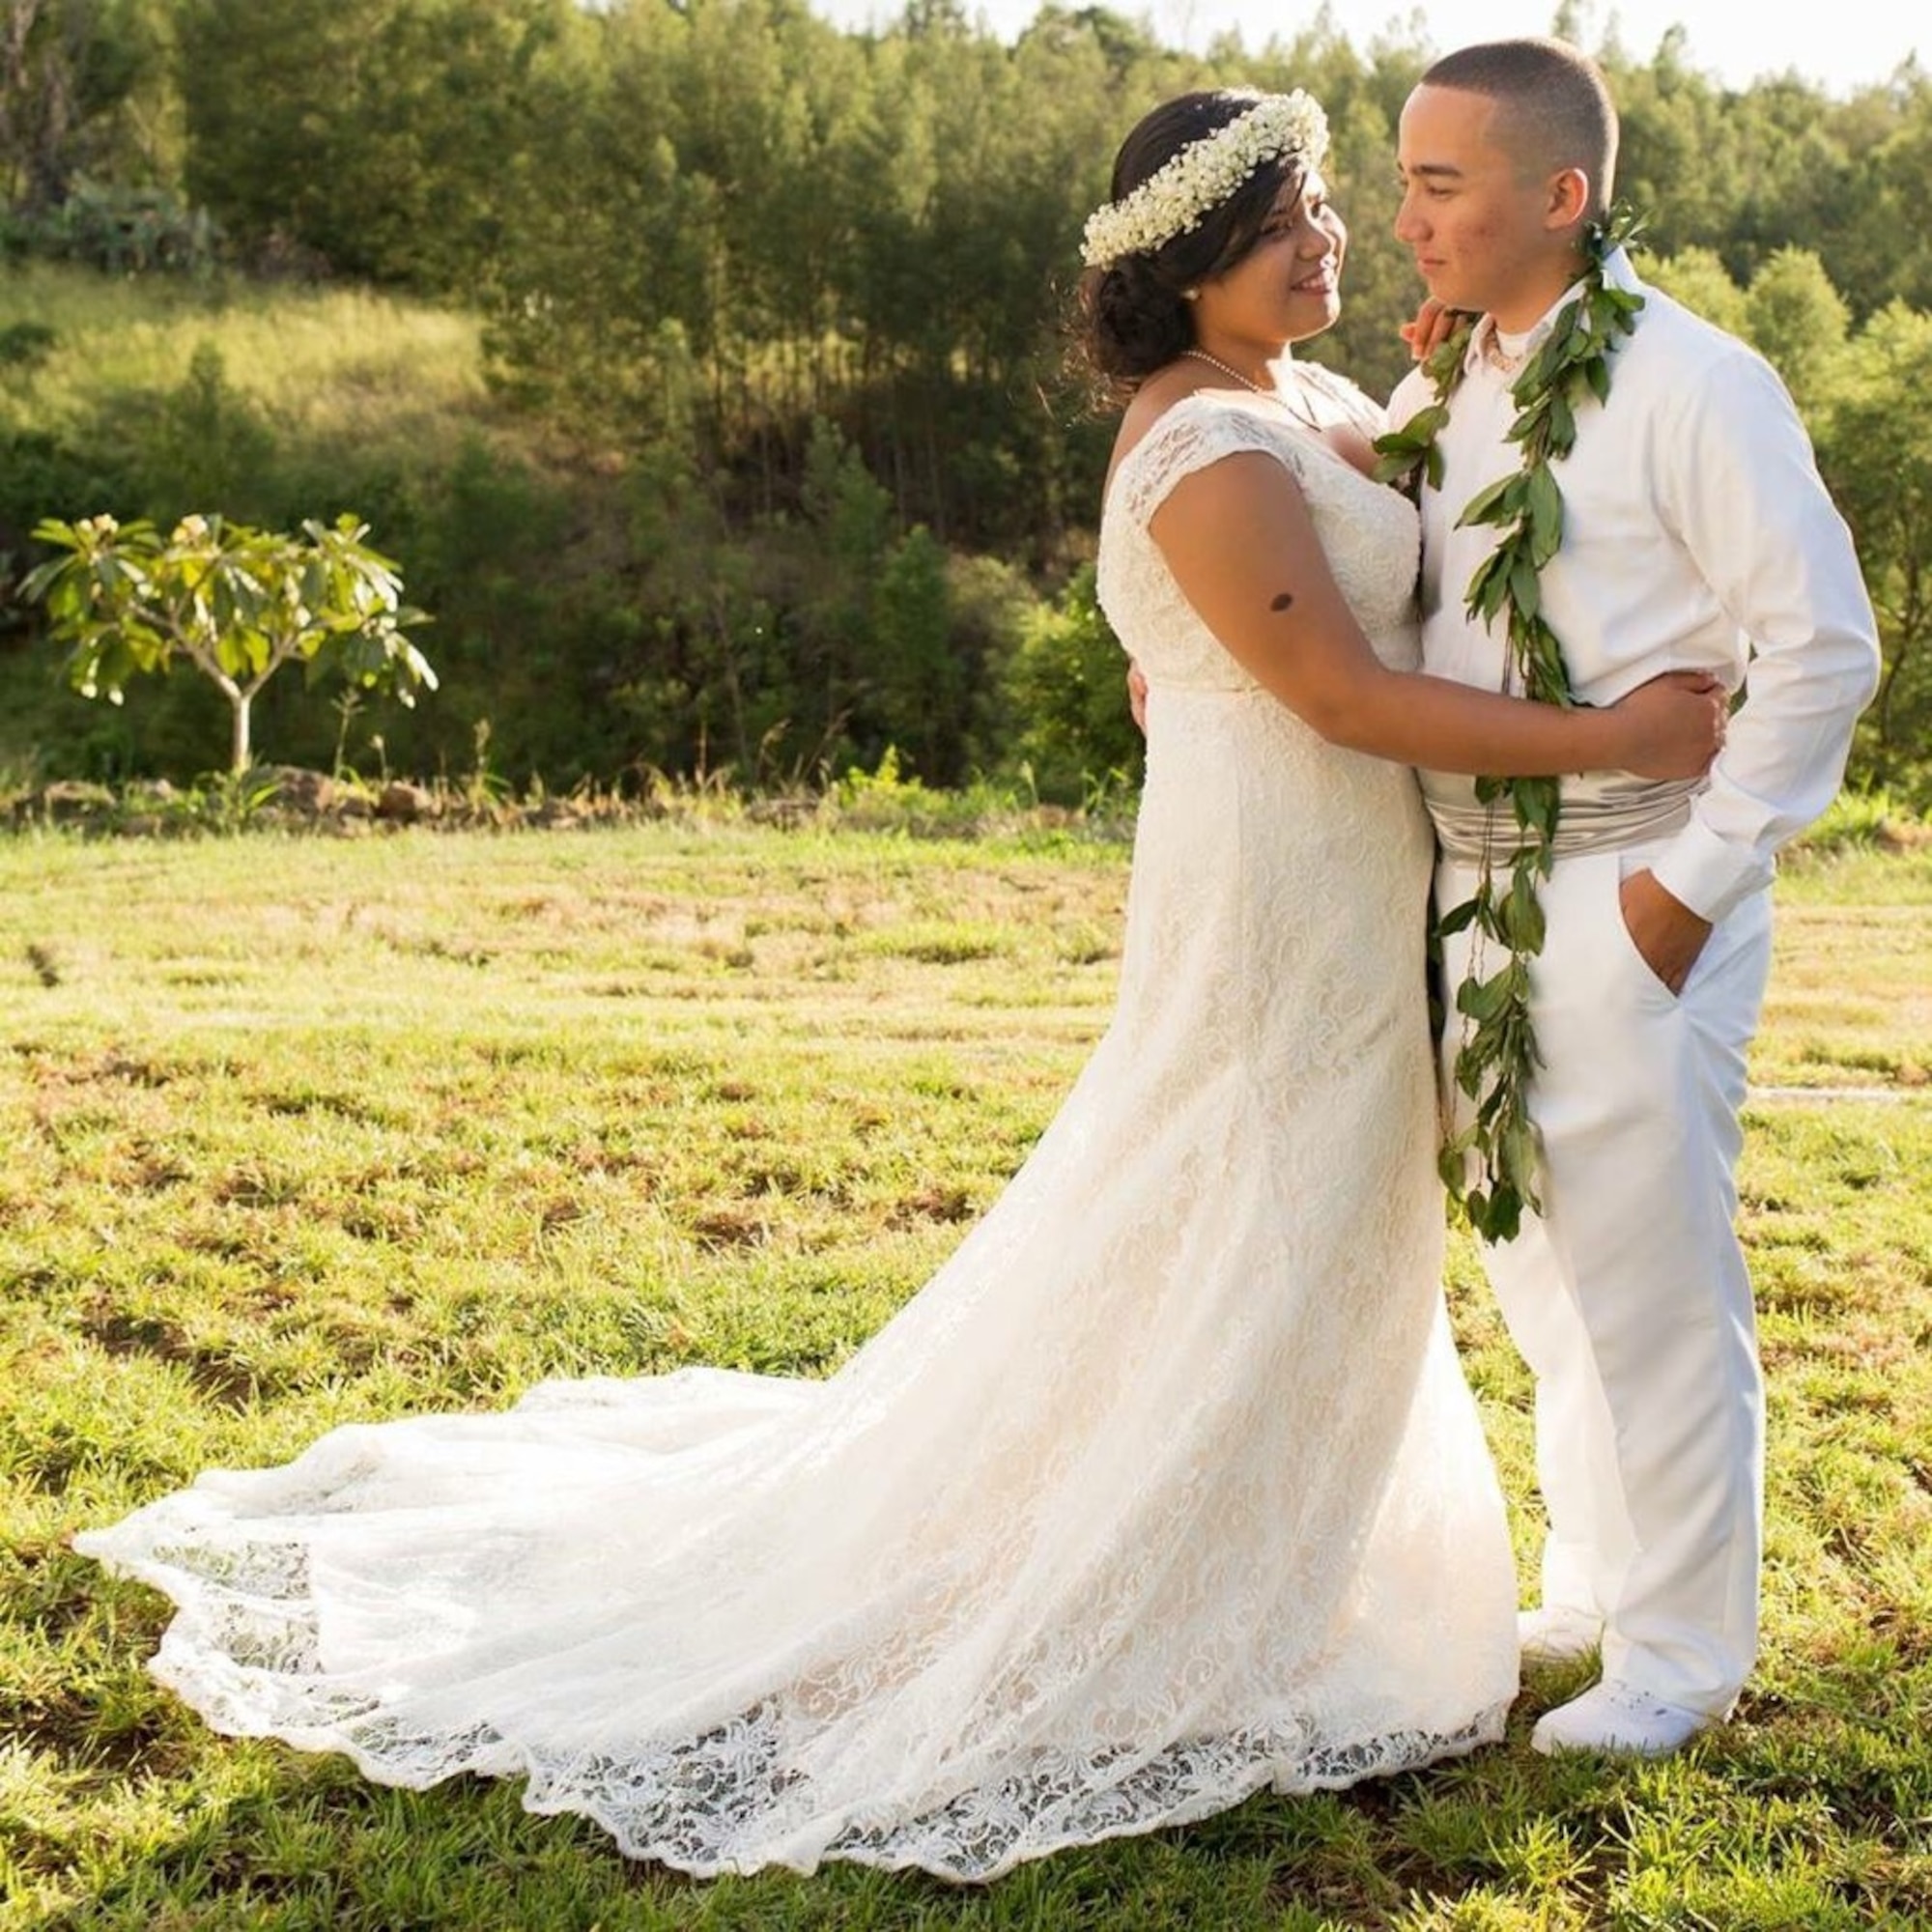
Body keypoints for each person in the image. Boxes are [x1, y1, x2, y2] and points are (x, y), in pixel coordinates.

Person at [71, 88, 1723, 1881]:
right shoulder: (1199, 446)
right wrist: (1611, 737)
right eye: (1288, 222)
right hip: (1273, 883)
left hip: (1349, 875)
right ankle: (1158, 1592)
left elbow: (1385, 521)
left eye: (1332, 205)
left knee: (1318, 1212)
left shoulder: (1309, 402)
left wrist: (1440, 380)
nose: (1330, 238)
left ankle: (1275, 1562)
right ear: (1185, 266)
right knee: (1247, 1191)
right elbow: (1334, 692)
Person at [1388, 39, 1880, 1756]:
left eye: (1441, 186)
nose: (1408, 221)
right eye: (1404, 182)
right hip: (1478, 895)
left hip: (1632, 885)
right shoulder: (1457, 377)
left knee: (1657, 1286)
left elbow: (1825, 648)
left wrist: (1692, 887)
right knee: (1540, 1265)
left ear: (1560, 195)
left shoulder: (1696, 381)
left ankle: (1682, 1660)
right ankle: (1596, 1580)